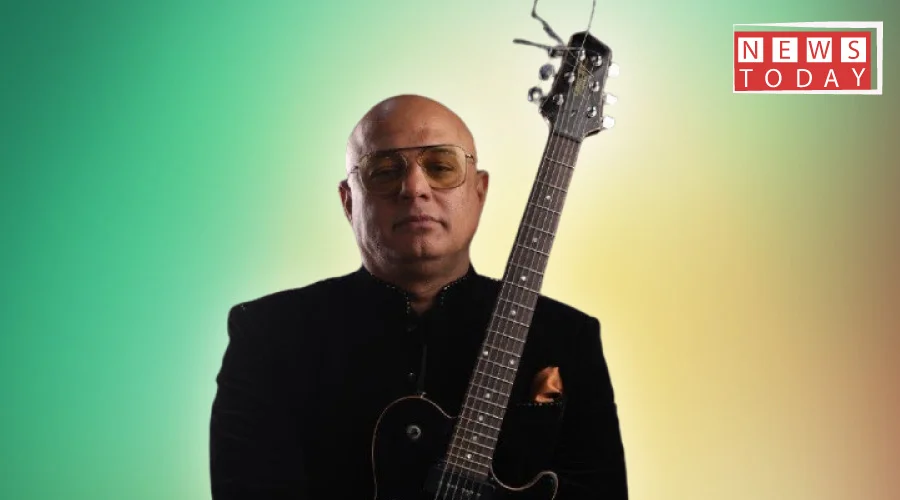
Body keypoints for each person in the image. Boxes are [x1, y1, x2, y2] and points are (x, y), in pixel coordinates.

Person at [209, 94, 628, 499]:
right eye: (384, 171)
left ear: (479, 192)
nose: (414, 188)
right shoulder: (268, 334)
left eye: (441, 166)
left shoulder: (567, 336)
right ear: (348, 201)